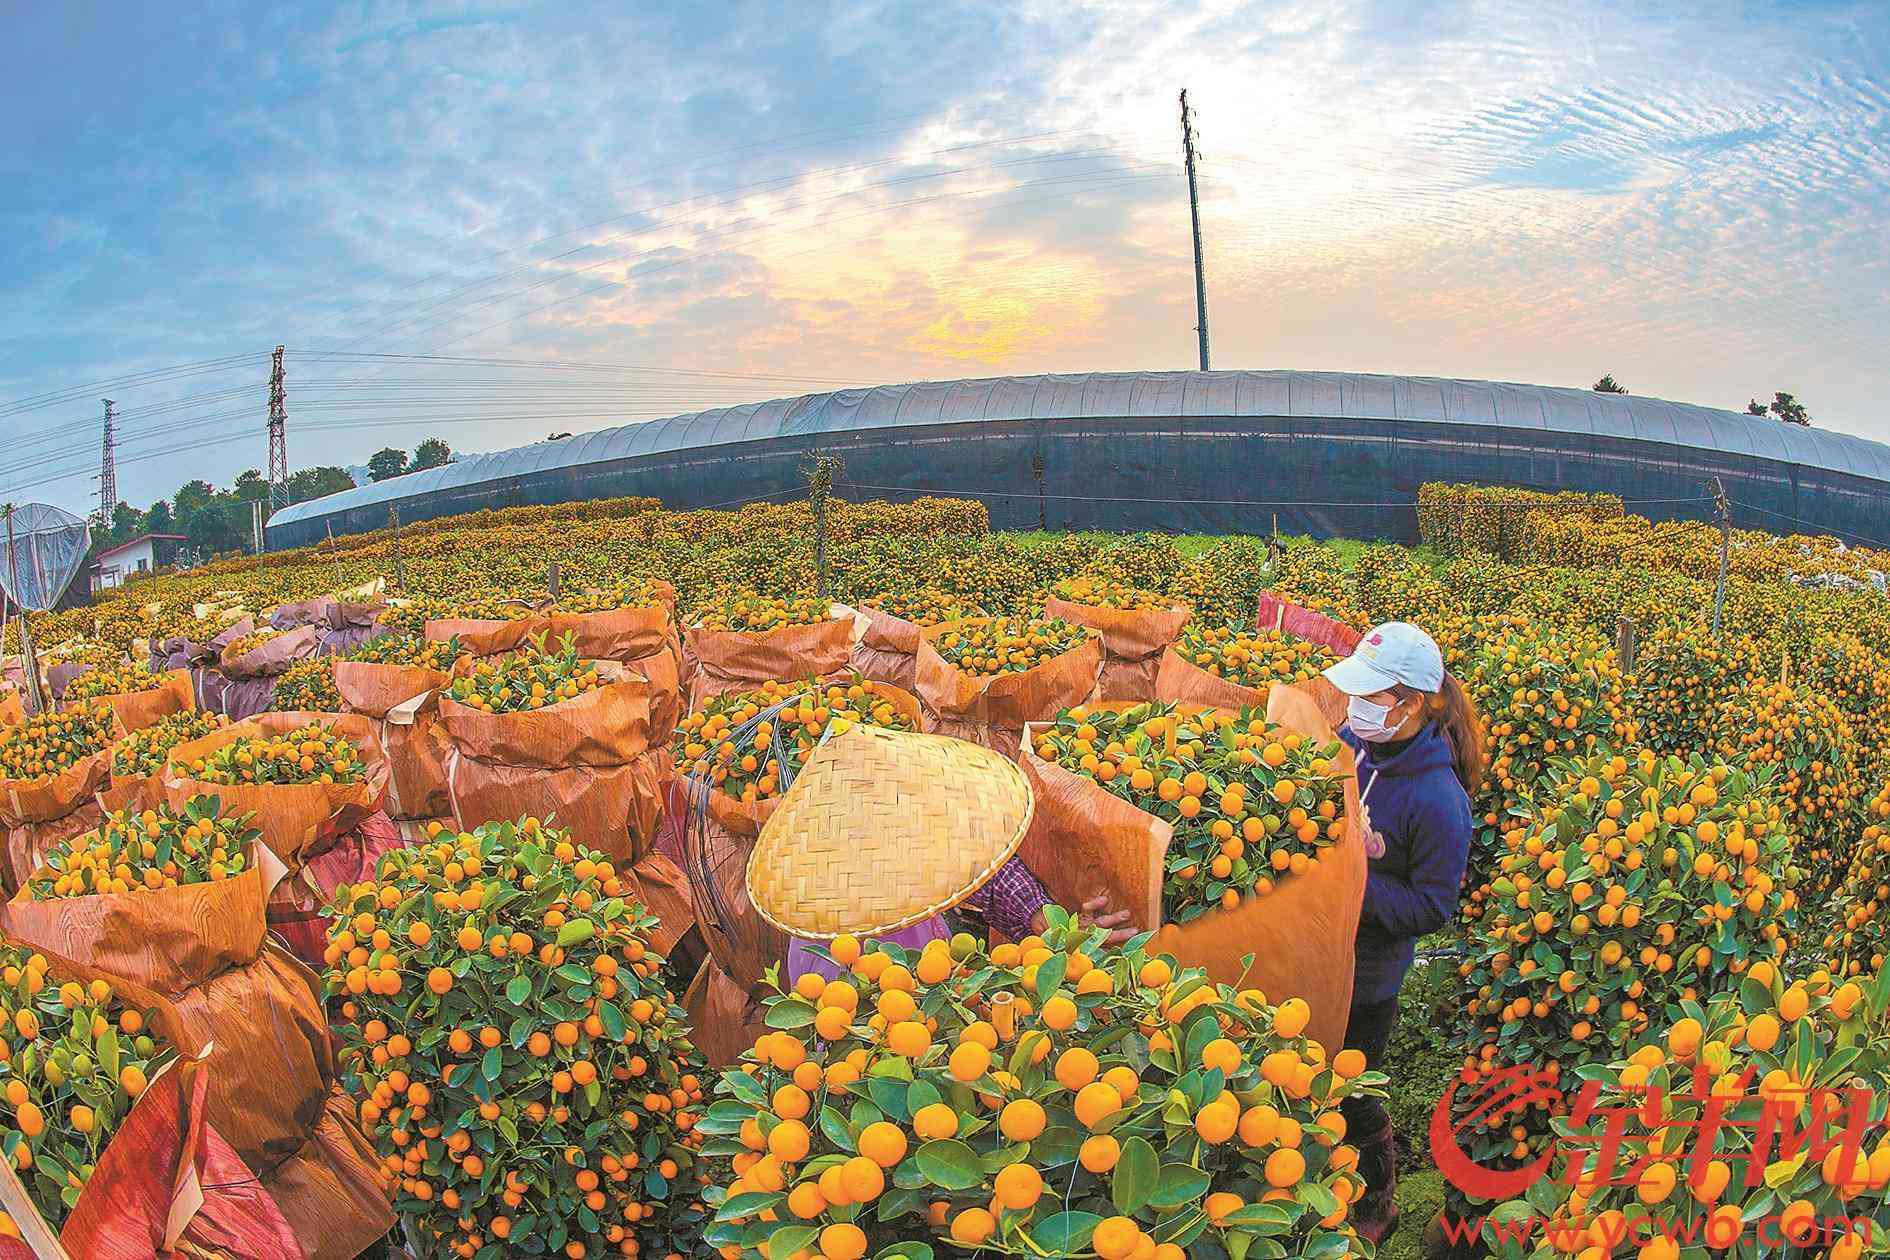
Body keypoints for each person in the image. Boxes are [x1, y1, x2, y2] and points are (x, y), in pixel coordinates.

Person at [1320, 621, 1482, 1245]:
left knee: (1353, 1085)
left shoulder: (1438, 799)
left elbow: (1432, 905)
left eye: (1372, 697)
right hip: (1316, 945)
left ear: (1412, 704)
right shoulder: (1351, 743)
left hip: (1370, 973)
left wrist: (1359, 875)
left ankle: (1377, 1201)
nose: (1356, 709)